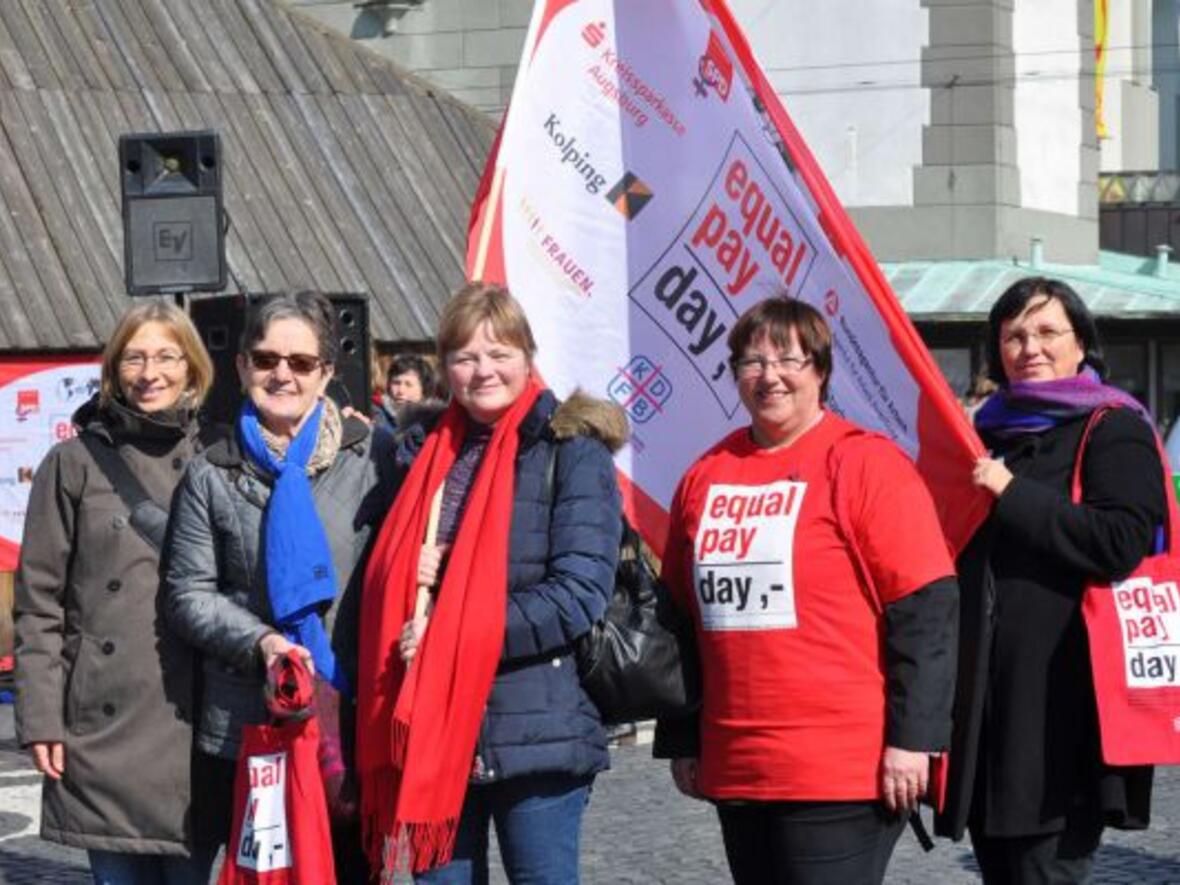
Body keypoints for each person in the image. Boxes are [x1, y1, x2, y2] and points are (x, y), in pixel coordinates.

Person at [654, 297, 959, 885]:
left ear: (819, 369)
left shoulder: (865, 463)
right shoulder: (705, 474)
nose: (769, 375)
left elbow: (926, 610)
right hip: (738, 763)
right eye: (751, 361)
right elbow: (679, 621)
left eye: (787, 358)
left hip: (840, 769)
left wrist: (914, 740)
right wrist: (683, 737)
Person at [356, 282, 625, 883]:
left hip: (536, 723)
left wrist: (448, 625)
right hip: (432, 728)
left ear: (528, 357)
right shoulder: (422, 454)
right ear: (444, 366)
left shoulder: (571, 451)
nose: (483, 371)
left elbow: (577, 593)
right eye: (465, 356)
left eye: (499, 353)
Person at [935, 277, 1165, 883]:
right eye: (1013, 335)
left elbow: (1120, 542)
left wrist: (1012, 492)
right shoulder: (985, 433)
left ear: (1082, 343)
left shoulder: (1114, 426)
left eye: (1046, 332)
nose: (1028, 347)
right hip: (983, 707)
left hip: (1061, 712)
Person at [163, 290, 396, 880]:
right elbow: (188, 593)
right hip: (249, 719)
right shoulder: (211, 470)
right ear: (241, 367)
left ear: (327, 372)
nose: (282, 375)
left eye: (300, 362)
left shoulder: (374, 457)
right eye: (266, 360)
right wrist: (262, 642)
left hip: (348, 717)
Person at [13, 301, 215, 884]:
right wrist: (41, 718)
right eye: (134, 356)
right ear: (114, 368)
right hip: (101, 732)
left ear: (192, 367)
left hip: (194, 724)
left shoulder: (221, 455)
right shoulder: (72, 463)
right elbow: (39, 602)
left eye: (166, 356)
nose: (150, 372)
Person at [372, 353, 437, 433]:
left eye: (408, 385)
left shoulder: (436, 421)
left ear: (423, 389)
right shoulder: (377, 417)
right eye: (396, 383)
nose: (400, 391)